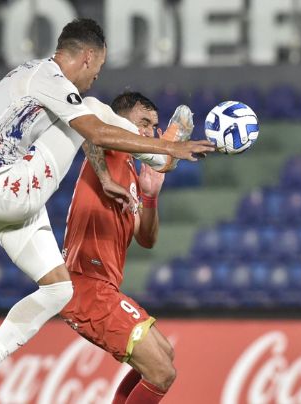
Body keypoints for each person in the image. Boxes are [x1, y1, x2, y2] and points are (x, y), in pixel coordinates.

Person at [0, 18, 214, 404]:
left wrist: (108, 176)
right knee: (89, 112)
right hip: (6, 187)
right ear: (88, 57)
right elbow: (93, 129)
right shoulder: (51, 78)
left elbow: (144, 232)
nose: (96, 76)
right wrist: (170, 149)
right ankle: (159, 151)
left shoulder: (35, 78)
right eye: (100, 68)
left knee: (58, 289)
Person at [61, 91, 186, 404]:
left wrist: (150, 195)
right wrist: (103, 177)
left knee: (165, 357)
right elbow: (92, 129)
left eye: (153, 127)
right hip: (85, 285)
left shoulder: (131, 172)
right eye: (143, 122)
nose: (148, 133)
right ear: (121, 118)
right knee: (161, 373)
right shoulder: (107, 144)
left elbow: (147, 239)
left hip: (105, 289)